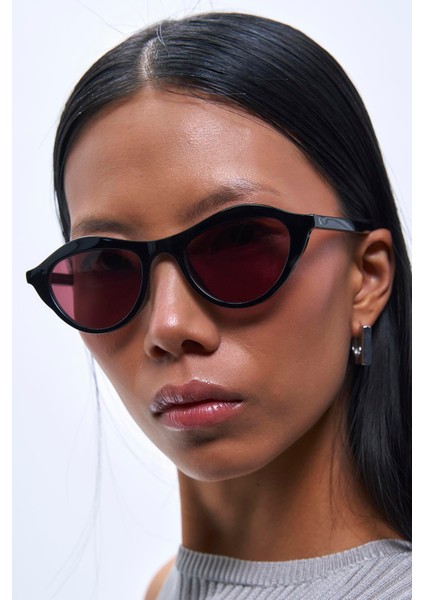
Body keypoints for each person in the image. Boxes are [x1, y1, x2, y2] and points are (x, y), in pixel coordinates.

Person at [26, 11, 411, 600]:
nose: (168, 325)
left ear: (367, 278)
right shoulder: (164, 589)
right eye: (107, 264)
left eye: (239, 241)